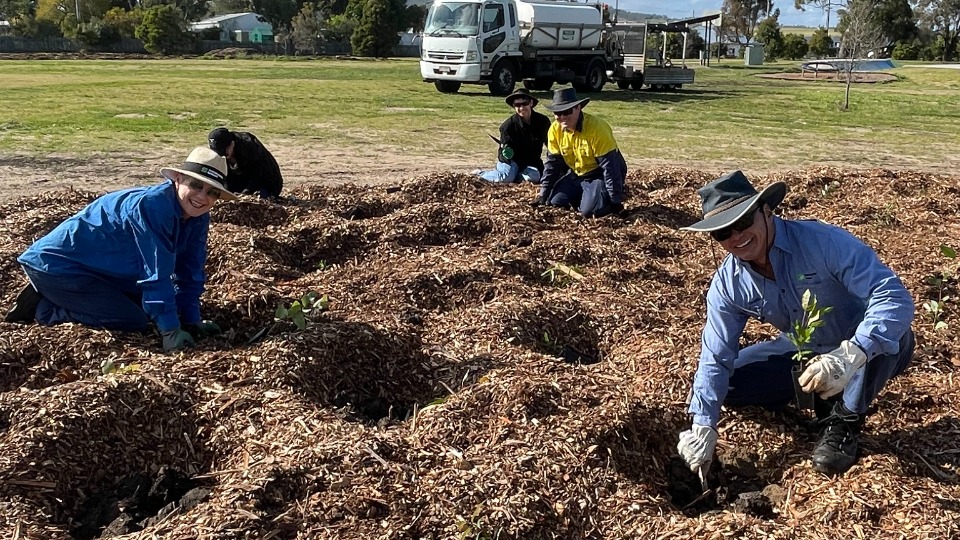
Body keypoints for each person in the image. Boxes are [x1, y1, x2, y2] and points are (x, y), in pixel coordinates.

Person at [676, 171, 915, 477]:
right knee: (732, 383)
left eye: (743, 222)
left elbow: (894, 298)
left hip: (860, 345)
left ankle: (845, 421)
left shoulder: (824, 243)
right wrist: (703, 424)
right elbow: (715, 355)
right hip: (803, 347)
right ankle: (817, 392)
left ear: (766, 210)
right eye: (722, 233)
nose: (736, 237)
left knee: (891, 336)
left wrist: (850, 354)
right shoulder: (728, 284)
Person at [4, 147, 236, 353]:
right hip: (58, 266)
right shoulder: (153, 207)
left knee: (151, 306)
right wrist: (170, 332)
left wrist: (192, 320)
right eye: (196, 185)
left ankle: (64, 298)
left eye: (212, 192)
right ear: (178, 179)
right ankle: (43, 308)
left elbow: (191, 270)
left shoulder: (197, 215)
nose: (202, 197)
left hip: (103, 270)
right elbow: (155, 272)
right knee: (133, 320)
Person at [535, 87, 627, 218]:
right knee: (553, 203)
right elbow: (552, 165)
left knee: (589, 213)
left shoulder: (597, 128)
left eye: (566, 112)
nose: (562, 117)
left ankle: (602, 197)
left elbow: (610, 168)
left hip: (599, 174)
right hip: (576, 174)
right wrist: (543, 194)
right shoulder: (555, 129)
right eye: (557, 114)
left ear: (578, 108)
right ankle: (587, 197)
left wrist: (615, 202)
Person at [473, 89, 551, 184]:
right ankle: (480, 174)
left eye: (524, 103)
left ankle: (516, 177)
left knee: (534, 177)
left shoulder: (543, 122)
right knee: (505, 178)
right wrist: (506, 154)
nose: (521, 108)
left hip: (531, 163)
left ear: (531, 103)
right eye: (517, 105)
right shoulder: (507, 127)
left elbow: (551, 145)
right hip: (512, 162)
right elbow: (503, 152)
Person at [208, 127, 283, 198]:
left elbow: (257, 175)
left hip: (266, 183)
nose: (222, 155)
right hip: (242, 181)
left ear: (232, 143)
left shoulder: (250, 147)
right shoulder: (224, 153)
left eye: (224, 151)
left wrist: (245, 194)